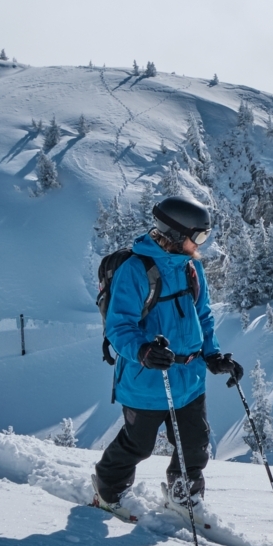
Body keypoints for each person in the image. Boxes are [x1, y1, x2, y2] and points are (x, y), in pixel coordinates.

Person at [91, 196, 243, 521]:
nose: (202, 243)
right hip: (147, 380)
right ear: (175, 234)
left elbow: (203, 317)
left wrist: (212, 355)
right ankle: (108, 490)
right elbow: (120, 326)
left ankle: (183, 496)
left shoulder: (191, 268)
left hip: (189, 379)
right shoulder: (136, 270)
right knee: (138, 445)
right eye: (198, 236)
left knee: (195, 445)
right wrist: (144, 352)